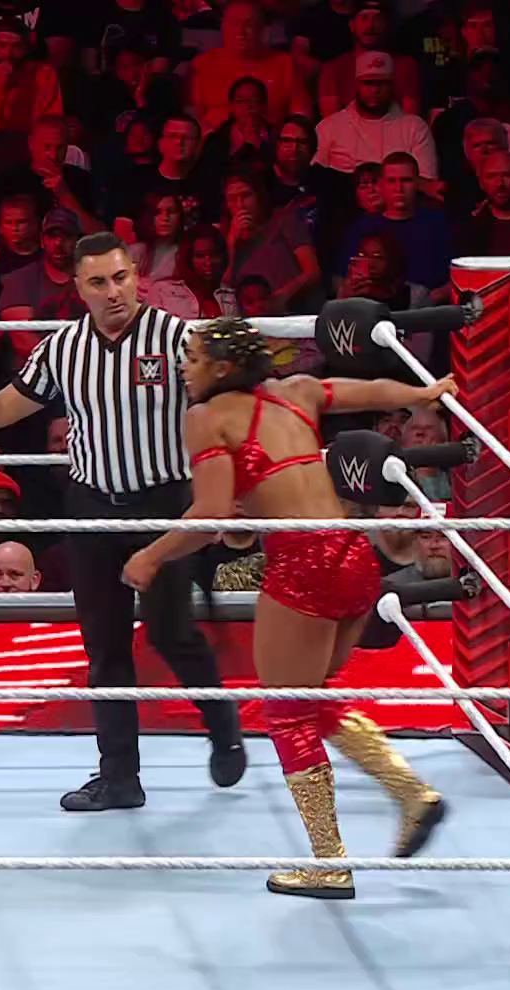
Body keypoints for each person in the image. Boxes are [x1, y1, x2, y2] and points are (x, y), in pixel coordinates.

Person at [0, 233, 245, 813]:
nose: (114, 292)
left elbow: (233, 400)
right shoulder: (63, 348)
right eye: (99, 282)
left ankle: (222, 724)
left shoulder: (177, 337)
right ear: (79, 288)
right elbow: (3, 406)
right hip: (92, 507)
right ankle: (120, 777)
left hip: (164, 503)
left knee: (171, 632)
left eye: (122, 278)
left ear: (137, 278)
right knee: (104, 647)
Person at [119, 318, 453, 899]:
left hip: (304, 564)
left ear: (222, 367)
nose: (183, 367)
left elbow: (210, 512)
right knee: (310, 699)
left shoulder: (205, 418)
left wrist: (151, 555)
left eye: (192, 357)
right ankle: (410, 792)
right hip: (354, 554)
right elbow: (366, 391)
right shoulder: (296, 390)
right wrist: (423, 392)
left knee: (286, 714)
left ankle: (330, 863)